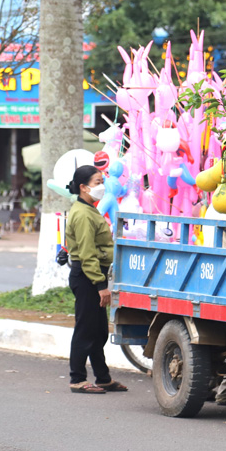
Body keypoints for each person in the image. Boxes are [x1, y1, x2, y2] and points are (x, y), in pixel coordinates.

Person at [64, 165, 128, 394]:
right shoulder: (82, 214)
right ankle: (77, 378)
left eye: (102, 182)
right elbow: (87, 253)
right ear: (83, 187)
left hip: (94, 275)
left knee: (98, 330)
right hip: (87, 277)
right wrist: (101, 286)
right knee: (85, 329)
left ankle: (103, 377)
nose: (101, 186)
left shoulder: (90, 210)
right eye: (97, 182)